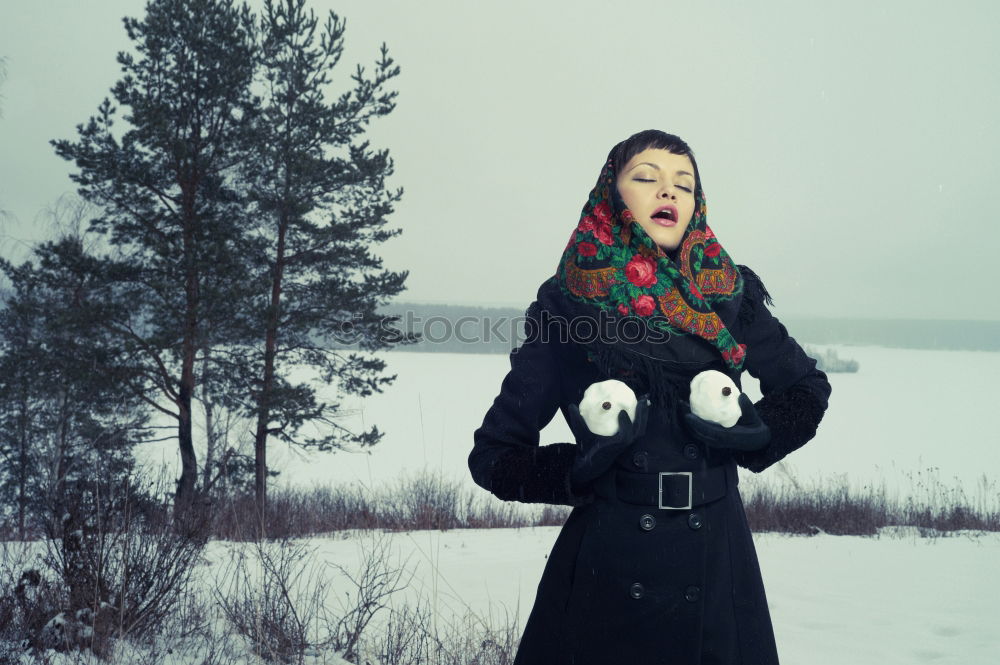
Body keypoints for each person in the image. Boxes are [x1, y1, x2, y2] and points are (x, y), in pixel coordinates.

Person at [468, 129, 832, 664]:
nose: (668, 193)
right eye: (647, 178)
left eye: (684, 185)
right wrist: (581, 468)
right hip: (608, 569)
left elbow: (806, 388)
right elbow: (494, 456)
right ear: (611, 195)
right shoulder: (568, 305)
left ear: (697, 204)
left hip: (715, 558)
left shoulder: (728, 295)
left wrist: (757, 436)